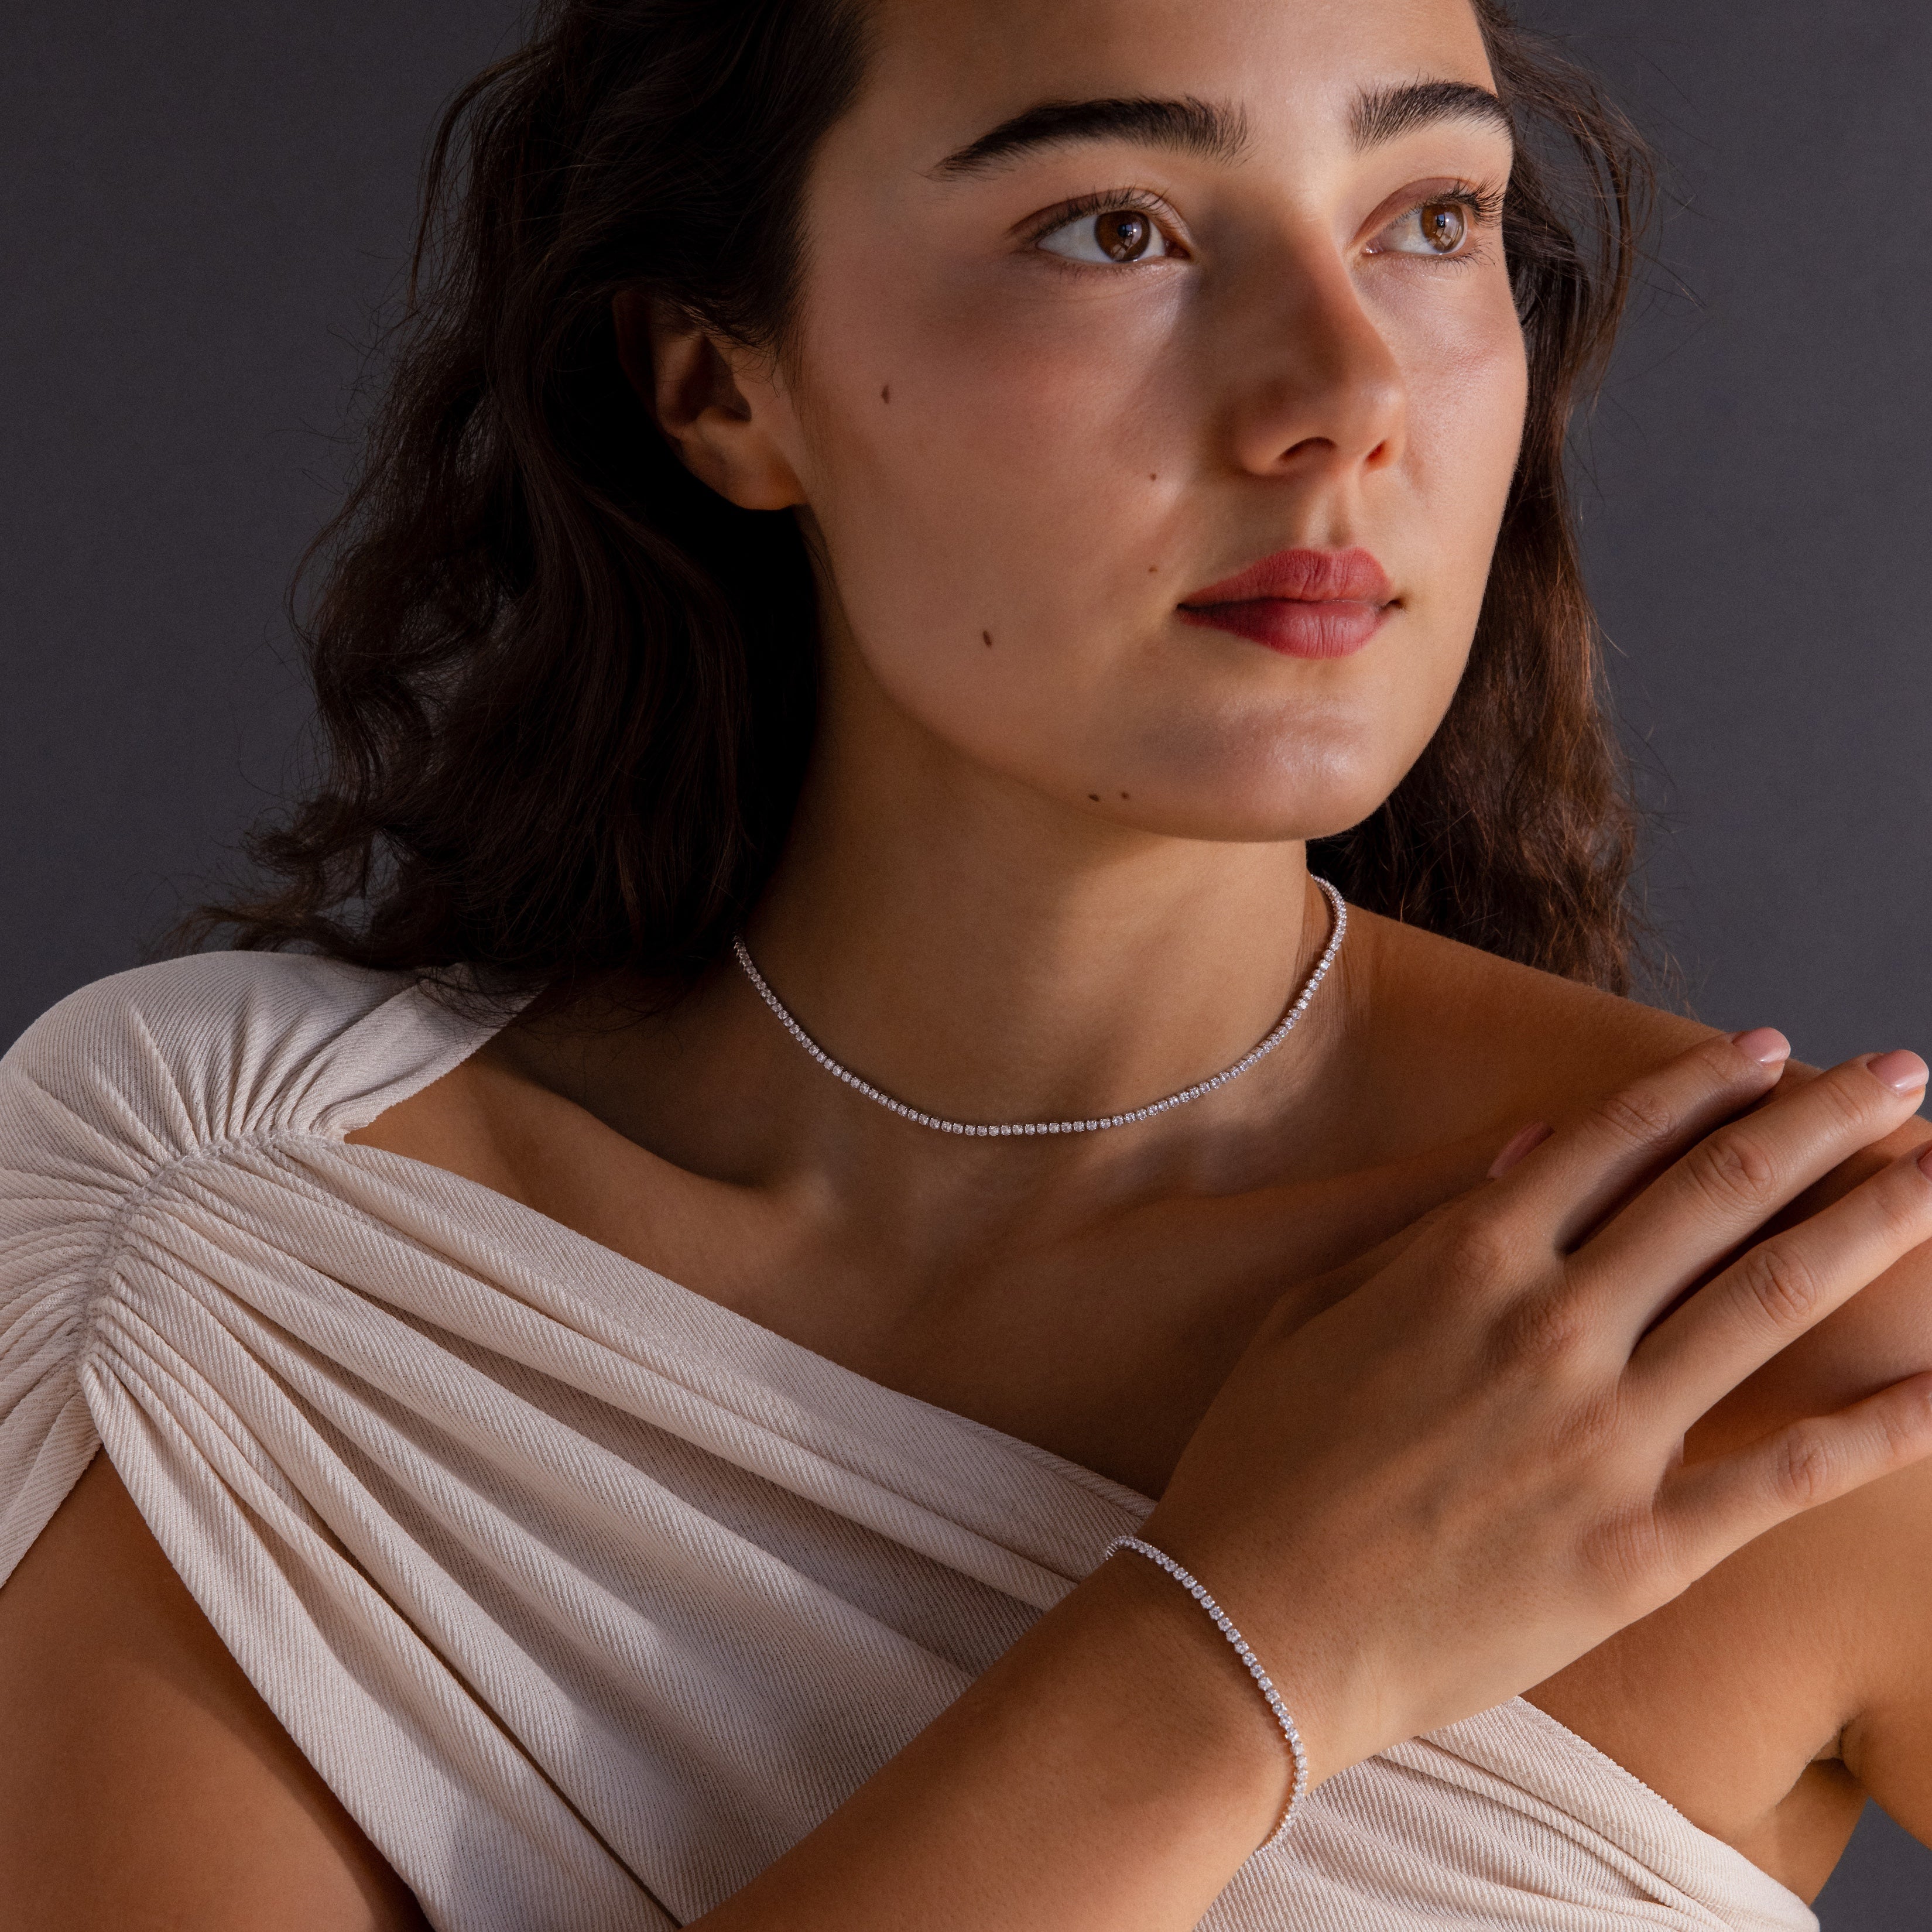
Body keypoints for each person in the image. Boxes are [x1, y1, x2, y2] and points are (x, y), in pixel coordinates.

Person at [2, 0, 1929, 1926]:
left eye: (1430, 218)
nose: (1347, 392)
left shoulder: (1799, 1331)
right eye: (1114, 227)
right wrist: (1243, 1647)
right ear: (721, 386)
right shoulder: (222, 1236)